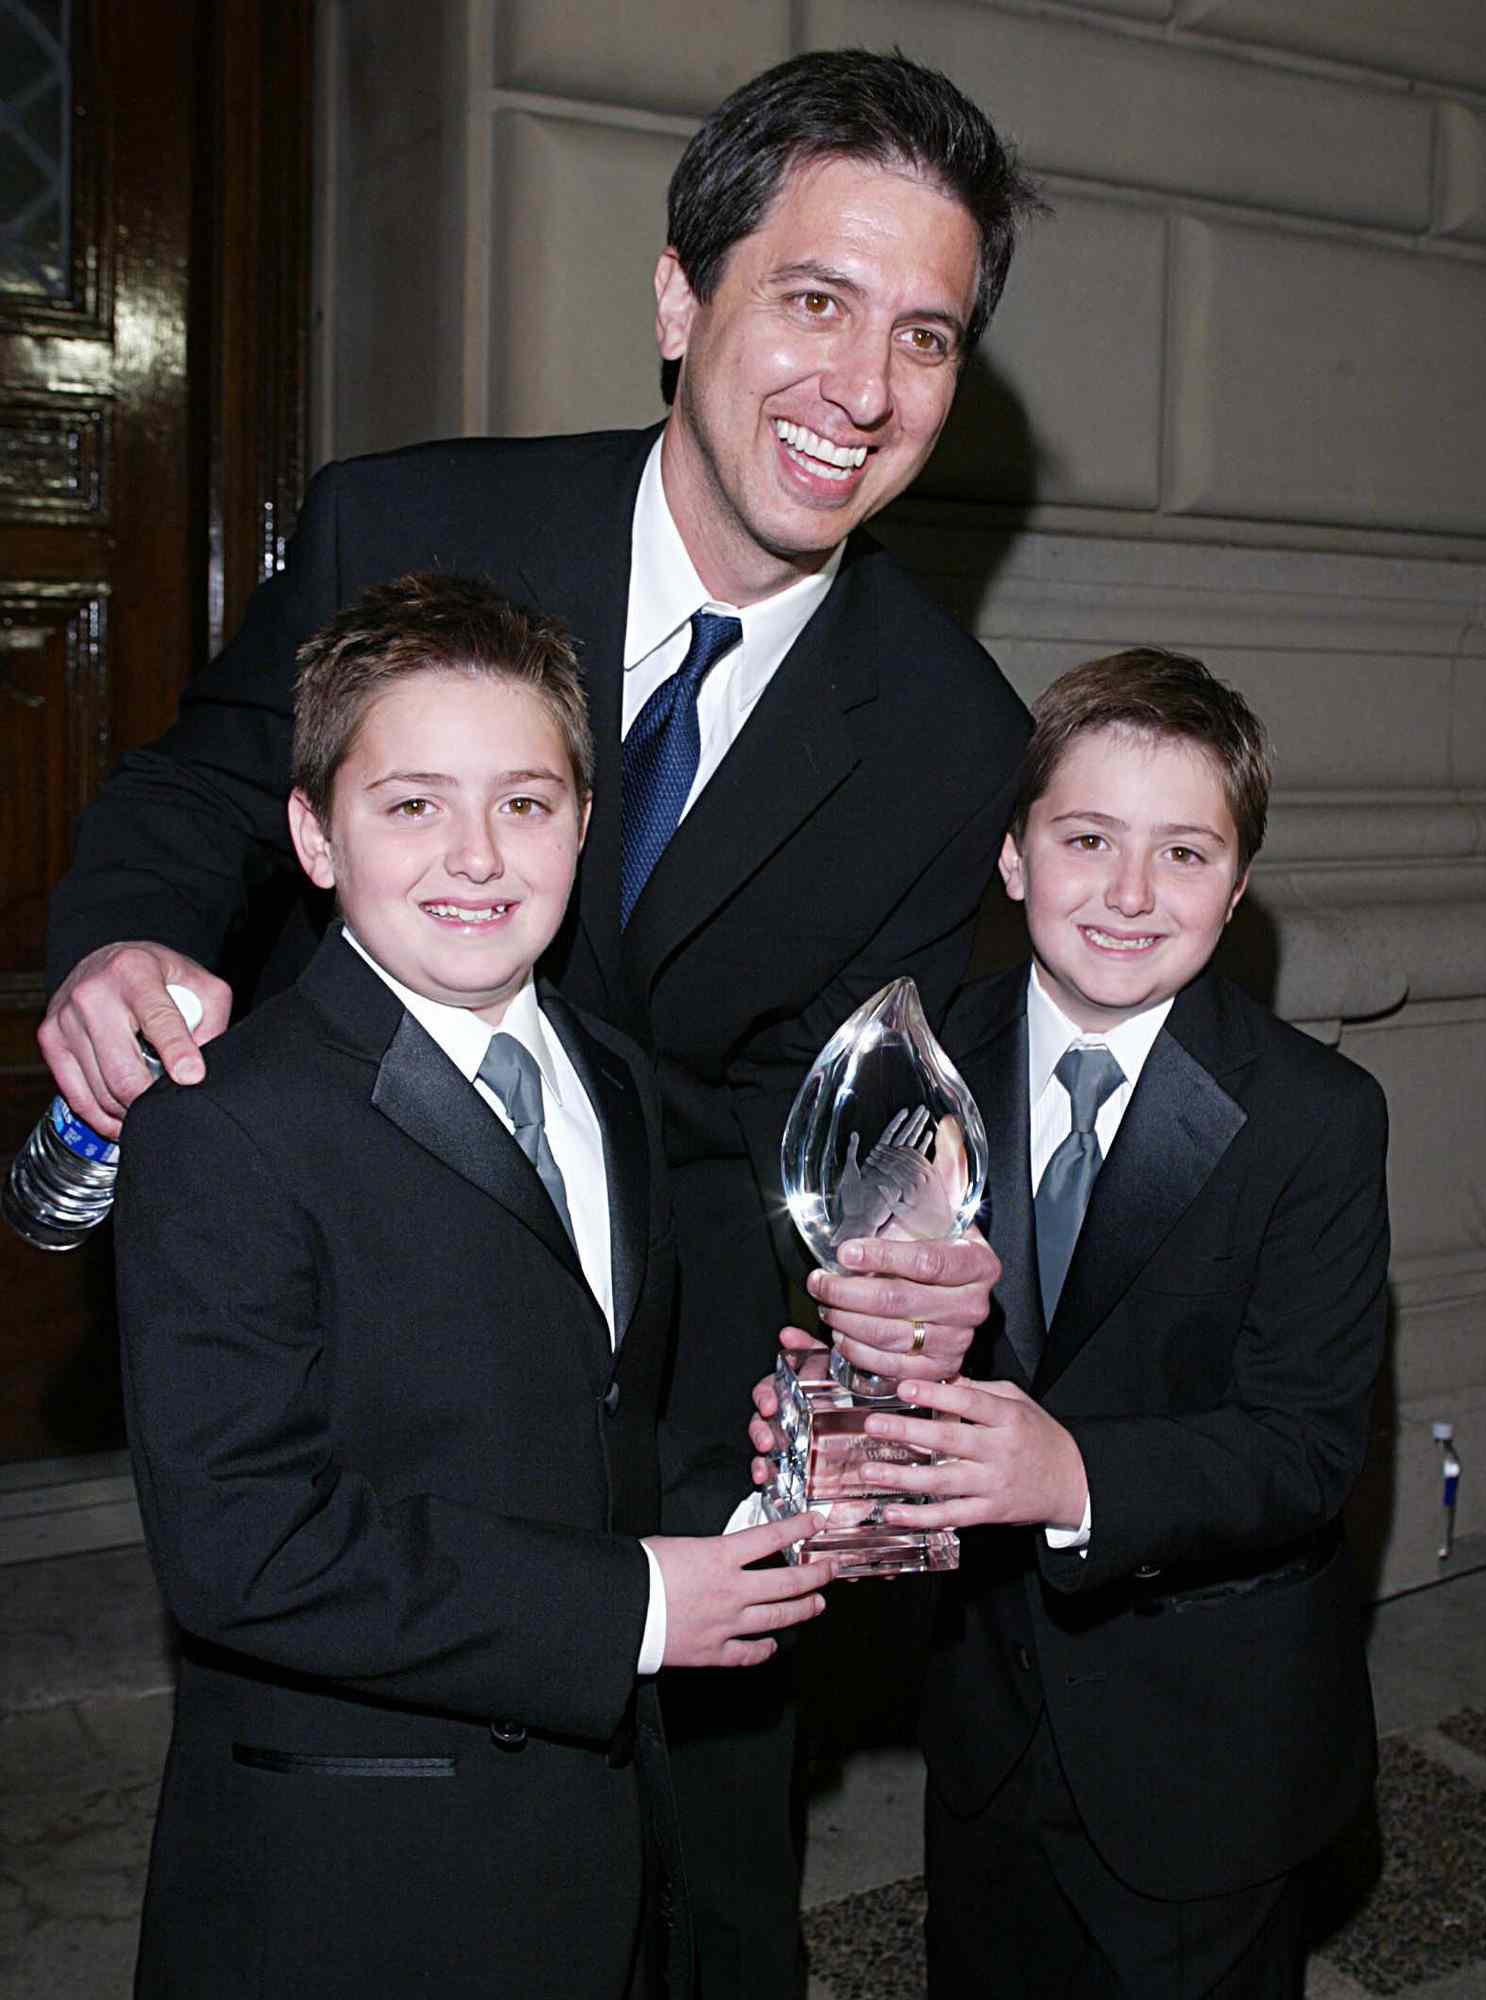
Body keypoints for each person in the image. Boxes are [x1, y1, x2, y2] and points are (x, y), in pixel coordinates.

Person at [42, 49, 1037, 1993]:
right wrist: (117, 947)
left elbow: (857, 1134)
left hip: (683, 1455)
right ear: (683, 298)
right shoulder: (404, 523)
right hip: (381, 1413)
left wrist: (895, 1279)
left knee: (700, 1921)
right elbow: (204, 791)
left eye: (926, 334)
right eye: (815, 300)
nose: (862, 385)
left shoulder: (953, 738)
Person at [115, 573, 840, 2000]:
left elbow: (606, 1414)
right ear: (314, 836)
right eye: (410, 806)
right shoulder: (224, 1125)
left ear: (587, 821)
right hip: (360, 1876)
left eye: (524, 802)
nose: (477, 857)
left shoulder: (620, 1084)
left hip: (597, 1837)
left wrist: (778, 1478)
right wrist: (631, 1611)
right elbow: (244, 1544)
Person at [755, 651, 1391, 1997]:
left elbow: (1310, 1448)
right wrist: (839, 1411)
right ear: (1011, 855)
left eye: (1184, 851)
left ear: (1237, 883)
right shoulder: (923, 1074)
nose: (1129, 893)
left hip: (1207, 1746)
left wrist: (1075, 1477)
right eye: (1087, 838)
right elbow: (881, 1338)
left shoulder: (1313, 1120)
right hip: (987, 1727)